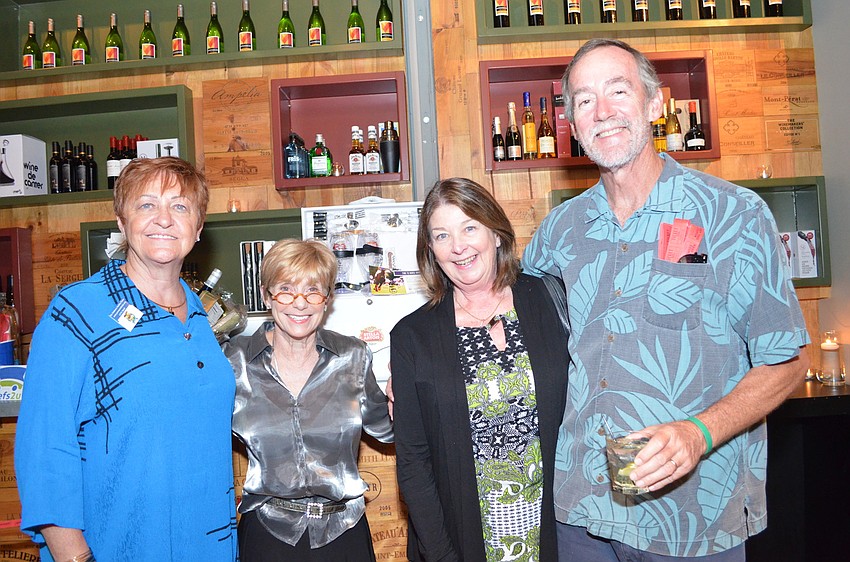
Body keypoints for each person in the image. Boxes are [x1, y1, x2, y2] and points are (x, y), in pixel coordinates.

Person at [522, 38, 810, 561]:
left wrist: (700, 433)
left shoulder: (734, 216)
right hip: (583, 512)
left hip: (692, 515)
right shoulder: (559, 233)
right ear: (571, 124)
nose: (602, 112)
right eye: (584, 100)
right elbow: (506, 327)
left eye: (618, 90)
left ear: (656, 105)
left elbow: (787, 364)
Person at [15, 157, 238, 561]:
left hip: (207, 546)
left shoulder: (202, 317)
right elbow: (45, 448)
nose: (164, 219)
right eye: (147, 205)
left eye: (181, 206)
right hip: (116, 547)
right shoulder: (78, 310)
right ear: (122, 221)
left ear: (199, 227)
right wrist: (74, 557)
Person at [391, 178, 569, 561]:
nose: (458, 246)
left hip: (558, 534)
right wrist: (440, 555)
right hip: (460, 540)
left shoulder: (550, 301)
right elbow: (413, 461)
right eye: (441, 236)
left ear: (497, 233)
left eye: (469, 227)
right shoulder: (411, 337)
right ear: (431, 251)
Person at [223, 238, 392, 561]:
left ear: (326, 299)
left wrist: (410, 392)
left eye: (313, 290)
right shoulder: (234, 361)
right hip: (268, 534)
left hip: (344, 533)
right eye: (286, 289)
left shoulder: (354, 357)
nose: (299, 303)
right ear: (266, 295)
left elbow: (388, 428)